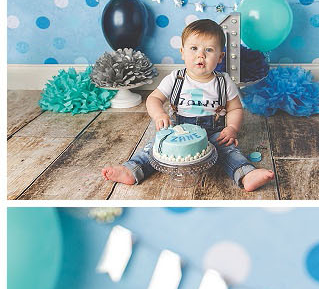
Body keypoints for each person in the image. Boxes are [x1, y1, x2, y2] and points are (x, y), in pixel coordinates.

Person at [100, 18, 274, 192]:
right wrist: (159, 114)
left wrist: (232, 129)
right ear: (182, 52)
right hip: (178, 130)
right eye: (194, 48)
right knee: (154, 147)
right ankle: (132, 169)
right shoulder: (175, 78)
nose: (201, 55)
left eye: (209, 50)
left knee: (228, 151)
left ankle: (246, 174)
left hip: (213, 132)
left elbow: (235, 108)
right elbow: (153, 99)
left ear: (220, 56)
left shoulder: (223, 81)